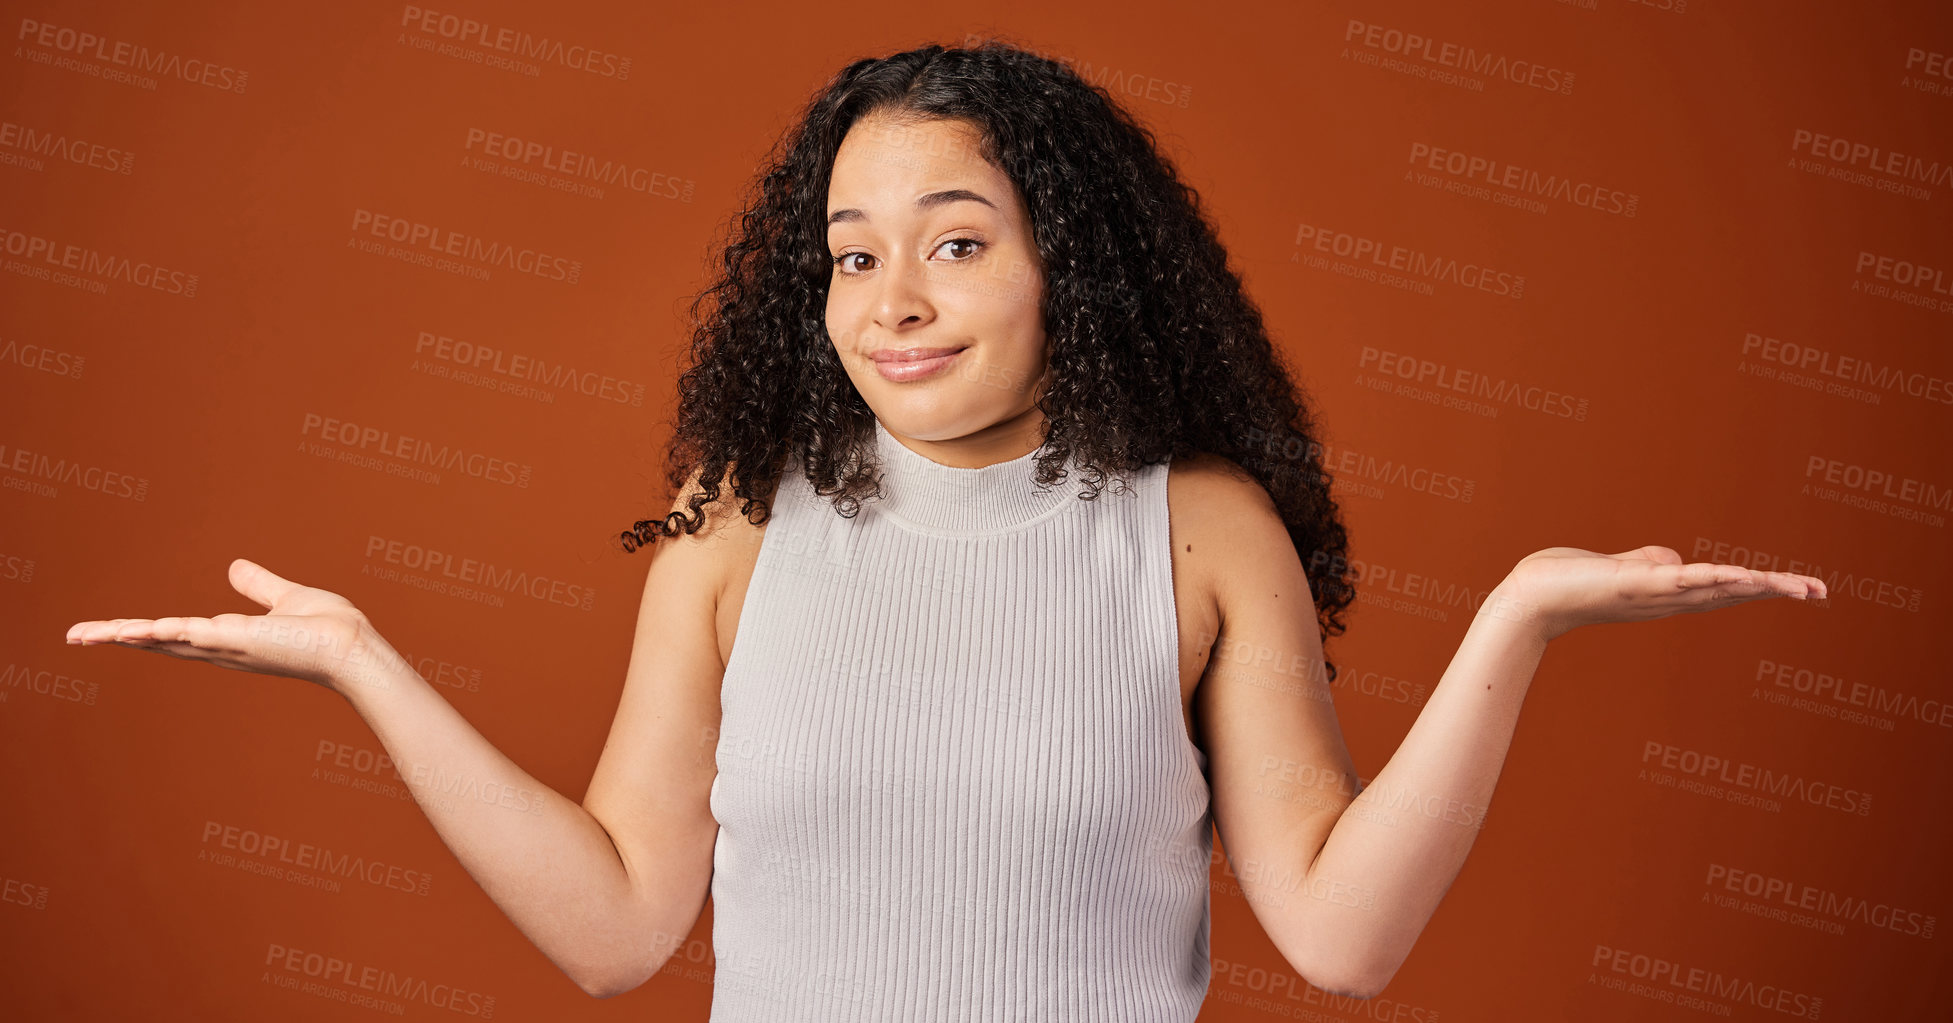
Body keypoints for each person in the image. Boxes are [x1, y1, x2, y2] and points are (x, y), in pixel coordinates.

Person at [64, 39, 1827, 1021]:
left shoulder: (1197, 533)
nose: (891, 299)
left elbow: (1343, 941)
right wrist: (368, 668)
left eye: (960, 240)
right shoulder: (733, 530)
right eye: (851, 250)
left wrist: (1513, 620)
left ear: (1079, 266)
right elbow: (614, 931)